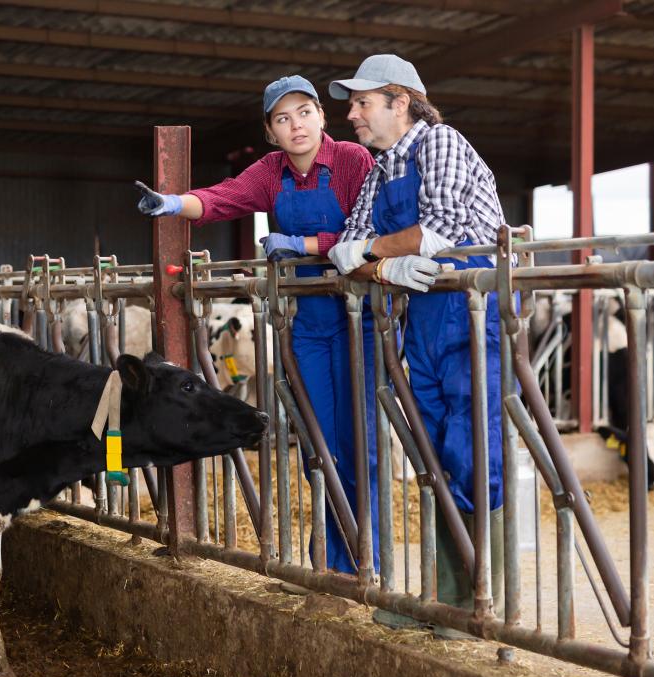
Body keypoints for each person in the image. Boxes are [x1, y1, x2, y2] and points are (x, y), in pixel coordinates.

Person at [135, 75, 438, 575]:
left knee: (359, 443)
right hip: (308, 325)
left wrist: (303, 246)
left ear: (322, 115)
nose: (295, 125)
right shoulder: (271, 172)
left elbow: (367, 231)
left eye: (303, 113)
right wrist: (171, 203)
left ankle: (369, 562)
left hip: (360, 316)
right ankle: (328, 562)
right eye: (282, 118)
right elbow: (222, 198)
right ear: (271, 132)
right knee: (316, 443)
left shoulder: (351, 161)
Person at [327, 54, 506, 634]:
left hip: (471, 304)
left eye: (362, 103)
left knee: (472, 445)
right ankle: (442, 595)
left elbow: (440, 232)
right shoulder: (381, 172)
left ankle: (479, 600)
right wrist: (384, 271)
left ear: (400, 101)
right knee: (431, 451)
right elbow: (343, 256)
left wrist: (373, 253)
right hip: (423, 314)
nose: (351, 115)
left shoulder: (441, 144)